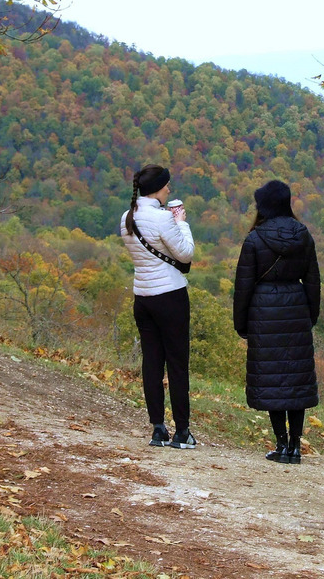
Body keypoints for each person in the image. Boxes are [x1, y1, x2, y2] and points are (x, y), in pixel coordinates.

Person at [233, 180, 320, 464]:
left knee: (273, 380)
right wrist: (310, 316)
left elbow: (243, 285)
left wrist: (241, 323)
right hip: (296, 307)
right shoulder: (303, 235)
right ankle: (295, 446)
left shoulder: (255, 240)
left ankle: (281, 444)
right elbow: (313, 281)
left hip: (264, 311)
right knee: (295, 379)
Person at [120, 164, 197, 449]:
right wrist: (181, 222)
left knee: (151, 362)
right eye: (166, 185)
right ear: (158, 189)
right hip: (171, 296)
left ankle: (157, 428)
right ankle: (182, 432)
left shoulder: (126, 218)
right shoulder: (164, 219)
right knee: (177, 364)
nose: (169, 190)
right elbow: (186, 253)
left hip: (143, 296)